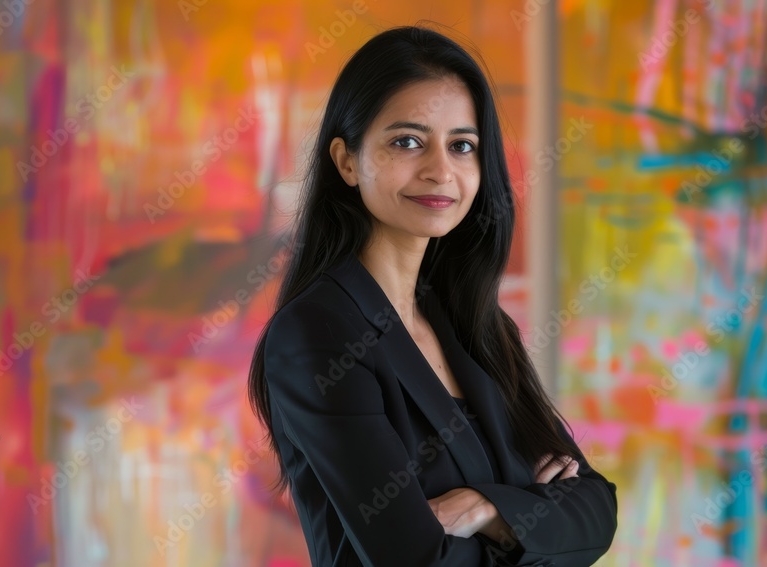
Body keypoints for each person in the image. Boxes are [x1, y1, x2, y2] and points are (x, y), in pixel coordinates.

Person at [247, 24, 617, 566]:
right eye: (407, 141)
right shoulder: (319, 335)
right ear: (347, 161)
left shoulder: (478, 325)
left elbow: (597, 509)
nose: (441, 170)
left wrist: (485, 509)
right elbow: (415, 559)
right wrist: (532, 514)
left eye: (461, 146)